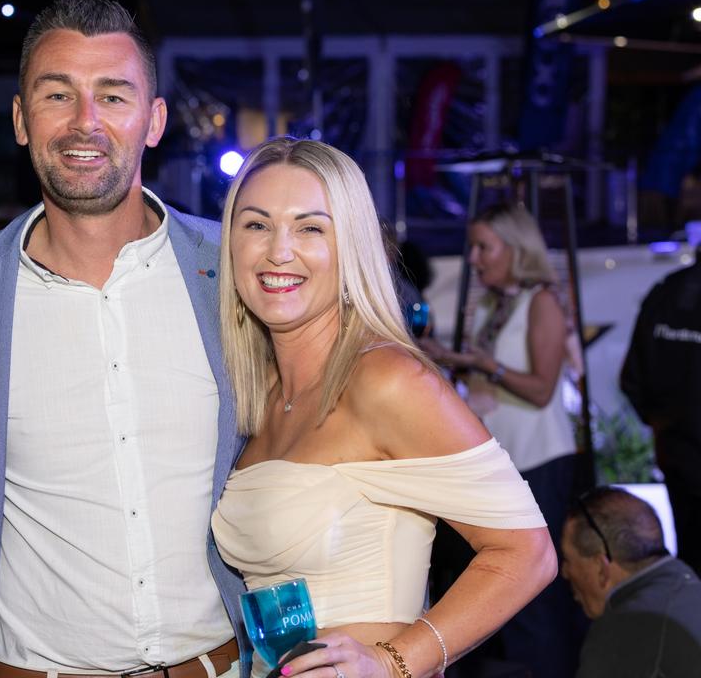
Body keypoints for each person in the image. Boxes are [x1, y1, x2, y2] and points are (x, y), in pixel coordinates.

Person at [0, 0, 246, 678]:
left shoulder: (232, 271)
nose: (85, 122)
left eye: (112, 95)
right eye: (56, 94)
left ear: (154, 121)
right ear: (20, 119)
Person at [210, 137, 555, 678]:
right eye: (256, 225)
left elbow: (527, 554)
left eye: (310, 228)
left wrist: (393, 662)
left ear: (352, 247)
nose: (278, 250)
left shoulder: (386, 380)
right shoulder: (264, 395)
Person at [420, 201, 584, 676]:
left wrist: (478, 363)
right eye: (472, 246)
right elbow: (490, 388)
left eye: (482, 247)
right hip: (507, 465)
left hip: (542, 460)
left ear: (513, 248)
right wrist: (448, 360)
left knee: (537, 597)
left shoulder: (542, 302)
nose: (474, 258)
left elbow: (541, 388)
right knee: (508, 595)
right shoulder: (495, 303)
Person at [560, 487, 701, 677]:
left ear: (601, 568)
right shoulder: (690, 586)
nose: (565, 573)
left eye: (568, 560)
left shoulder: (622, 630)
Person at [621, 257, 701, 577]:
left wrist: (665, 425)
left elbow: (632, 379)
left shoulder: (668, 293)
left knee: (693, 571)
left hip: (677, 458)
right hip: (680, 455)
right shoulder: (668, 293)